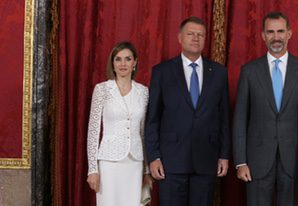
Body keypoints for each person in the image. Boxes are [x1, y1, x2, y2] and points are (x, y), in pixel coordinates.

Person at [232, 12, 298, 206]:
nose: (276, 36)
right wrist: (241, 161)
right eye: (270, 32)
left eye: (280, 31)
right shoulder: (249, 71)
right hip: (256, 160)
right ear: (263, 35)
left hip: (294, 159)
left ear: (289, 33)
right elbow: (240, 119)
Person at [145, 16, 230, 206]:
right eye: (190, 34)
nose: (195, 38)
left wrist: (224, 154)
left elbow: (224, 117)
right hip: (170, 161)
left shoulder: (218, 72)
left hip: (206, 159)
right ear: (180, 38)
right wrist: (154, 157)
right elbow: (153, 119)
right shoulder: (162, 72)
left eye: (200, 35)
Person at [86, 41, 153, 206]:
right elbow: (93, 132)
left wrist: (146, 170)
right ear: (113, 63)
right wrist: (92, 169)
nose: (123, 64)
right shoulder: (102, 90)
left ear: (134, 63)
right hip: (109, 162)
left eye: (128, 59)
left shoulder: (143, 92)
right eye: (118, 59)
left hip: (135, 162)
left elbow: (144, 132)